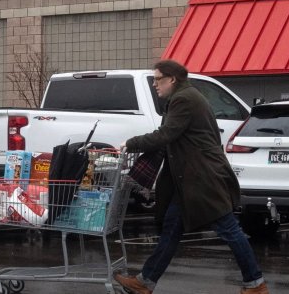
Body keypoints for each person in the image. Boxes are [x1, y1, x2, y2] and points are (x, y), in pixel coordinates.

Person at [114, 59, 268, 294]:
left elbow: (166, 134)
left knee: (229, 228)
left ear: (172, 79)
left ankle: (256, 284)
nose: (155, 84)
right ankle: (145, 283)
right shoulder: (183, 97)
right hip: (190, 179)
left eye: (158, 79)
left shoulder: (184, 99)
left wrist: (131, 143)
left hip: (203, 178)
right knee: (171, 230)